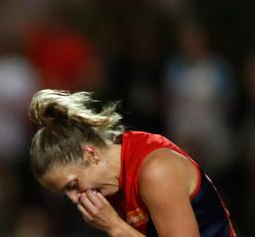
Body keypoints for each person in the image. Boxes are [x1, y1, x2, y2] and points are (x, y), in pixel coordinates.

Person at [28, 89, 236, 236]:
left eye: (72, 186)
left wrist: (115, 228)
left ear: (90, 154)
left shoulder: (155, 171)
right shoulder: (111, 185)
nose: (74, 199)